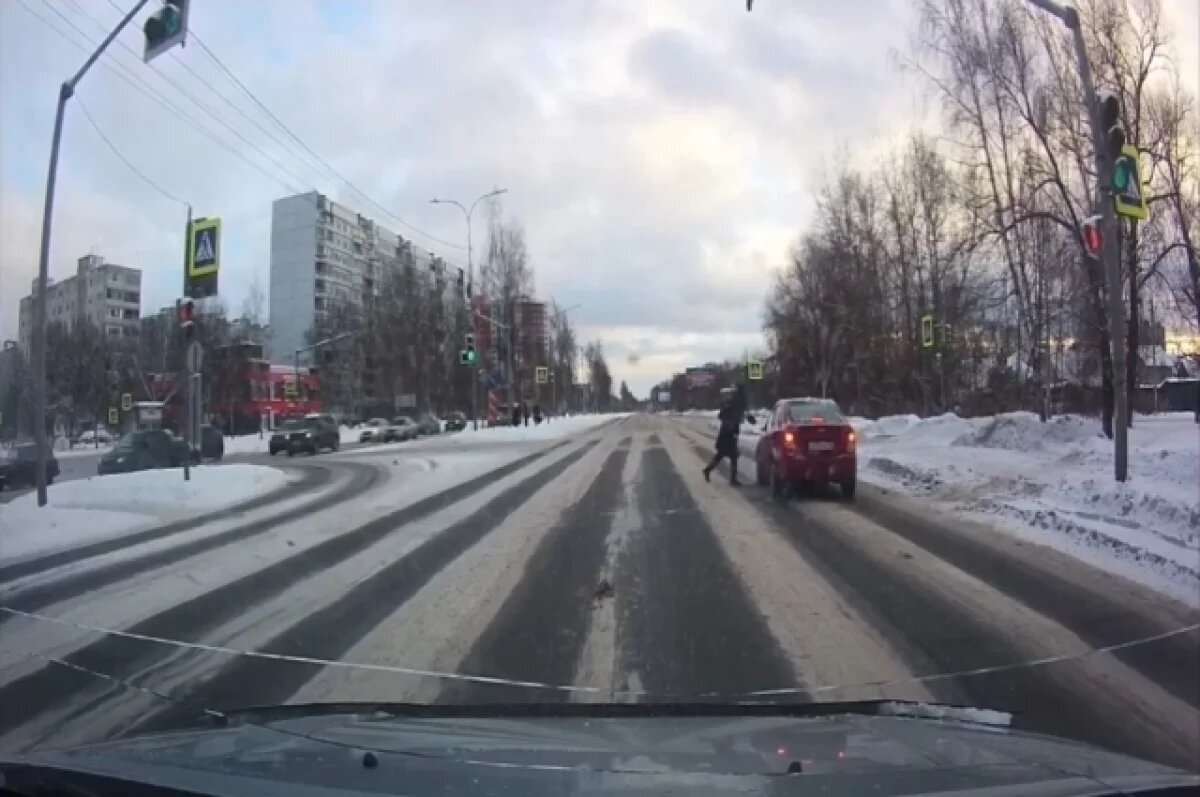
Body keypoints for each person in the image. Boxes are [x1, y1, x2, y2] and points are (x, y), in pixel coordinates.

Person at [703, 392, 741, 486]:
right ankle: (733, 480)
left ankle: (707, 470)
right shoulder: (730, 410)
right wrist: (732, 426)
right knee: (733, 457)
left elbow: (732, 421)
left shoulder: (732, 410)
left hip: (727, 437)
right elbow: (725, 418)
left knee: (721, 456)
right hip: (727, 437)